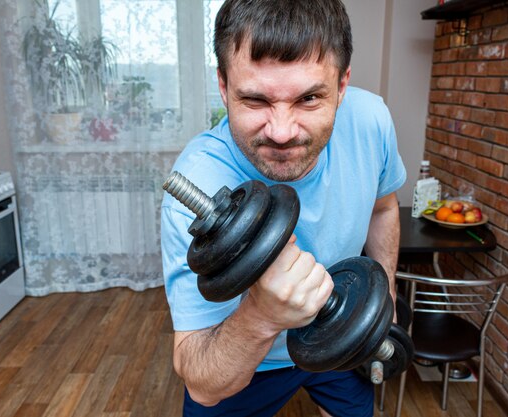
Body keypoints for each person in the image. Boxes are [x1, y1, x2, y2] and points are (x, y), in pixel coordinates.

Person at [161, 0, 406, 415]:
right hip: (245, 356)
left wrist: (386, 295)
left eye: (309, 98)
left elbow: (383, 210)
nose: (281, 132)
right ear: (223, 86)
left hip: (341, 331)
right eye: (255, 100)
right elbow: (200, 379)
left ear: (342, 86)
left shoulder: (370, 122)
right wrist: (261, 316)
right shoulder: (200, 184)